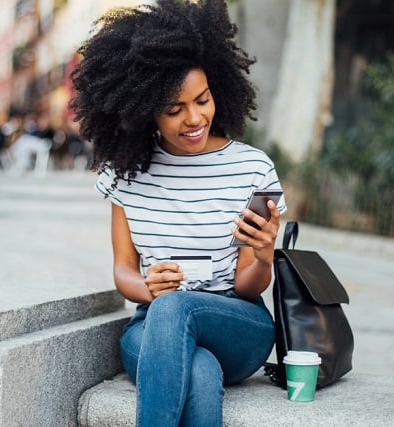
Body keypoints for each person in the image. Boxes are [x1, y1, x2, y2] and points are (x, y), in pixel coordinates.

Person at [70, 1, 287, 425]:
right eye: (174, 109)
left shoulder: (252, 168)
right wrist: (148, 288)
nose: (194, 118)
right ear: (144, 108)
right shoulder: (127, 172)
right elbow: (123, 270)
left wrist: (263, 256)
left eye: (202, 100)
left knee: (176, 309)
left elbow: (247, 287)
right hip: (152, 327)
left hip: (237, 322)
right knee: (199, 370)